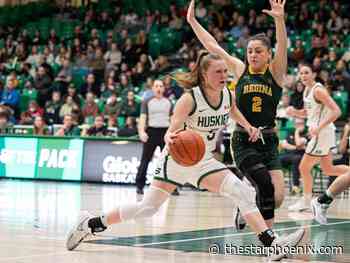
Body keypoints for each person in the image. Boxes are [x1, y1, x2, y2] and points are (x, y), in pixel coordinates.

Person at [65, 52, 304, 260]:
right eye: (218, 72)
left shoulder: (227, 95)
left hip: (204, 160)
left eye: (225, 71)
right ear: (204, 75)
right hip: (177, 160)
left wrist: (248, 126)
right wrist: (170, 136)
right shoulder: (190, 98)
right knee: (147, 209)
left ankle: (272, 245)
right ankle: (89, 224)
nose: (224, 75)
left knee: (244, 193)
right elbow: (175, 125)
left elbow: (232, 110)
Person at [187, 0, 287, 229]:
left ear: (268, 55)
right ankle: (269, 240)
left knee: (278, 198)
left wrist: (279, 20)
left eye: (258, 51)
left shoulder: (276, 75)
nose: (253, 54)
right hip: (243, 139)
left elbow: (283, 46)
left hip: (269, 140)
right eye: (250, 51)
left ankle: (244, 206)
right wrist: (193, 22)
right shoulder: (240, 70)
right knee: (264, 185)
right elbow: (213, 46)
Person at [286, 63, 350, 211]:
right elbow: (308, 113)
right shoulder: (306, 90)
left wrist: (318, 128)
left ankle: (306, 201)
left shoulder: (319, 90)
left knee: (303, 167)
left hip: (322, 133)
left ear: (314, 74)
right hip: (321, 132)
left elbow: (337, 111)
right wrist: (294, 112)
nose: (303, 76)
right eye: (301, 73)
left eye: (306, 73)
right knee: (328, 169)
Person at [135, 79, 176, 195]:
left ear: (164, 88)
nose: (159, 88)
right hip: (151, 132)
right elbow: (142, 118)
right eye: (156, 86)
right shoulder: (147, 101)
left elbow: (173, 120)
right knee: (145, 160)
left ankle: (172, 187)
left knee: (168, 161)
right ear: (153, 89)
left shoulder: (169, 102)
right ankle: (140, 186)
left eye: (161, 86)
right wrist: (141, 132)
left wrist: (172, 132)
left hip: (165, 133)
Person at [279, 118, 307, 194]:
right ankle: (275, 184)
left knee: (296, 159)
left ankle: (296, 186)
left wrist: (297, 132)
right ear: (294, 125)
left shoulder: (306, 134)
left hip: (301, 156)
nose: (299, 126)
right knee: (276, 159)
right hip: (287, 155)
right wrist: (296, 148)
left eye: (301, 124)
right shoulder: (290, 132)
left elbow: (299, 143)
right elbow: (283, 144)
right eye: (297, 124)